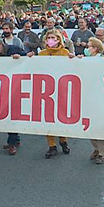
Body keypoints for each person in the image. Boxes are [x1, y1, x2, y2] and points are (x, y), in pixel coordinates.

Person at [39, 29, 73, 158]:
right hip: (46, 91)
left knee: (61, 116)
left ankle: (63, 141)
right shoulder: (42, 54)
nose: (51, 40)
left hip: (61, 89)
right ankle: (51, 145)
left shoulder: (65, 53)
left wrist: (74, 59)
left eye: (53, 38)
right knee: (48, 118)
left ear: (59, 39)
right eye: (49, 38)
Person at [77, 37, 104, 164]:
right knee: (89, 126)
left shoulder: (103, 60)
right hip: (87, 96)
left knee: (99, 126)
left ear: (95, 48)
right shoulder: (85, 60)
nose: (86, 49)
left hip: (100, 97)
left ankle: (103, 153)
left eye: (89, 46)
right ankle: (96, 149)